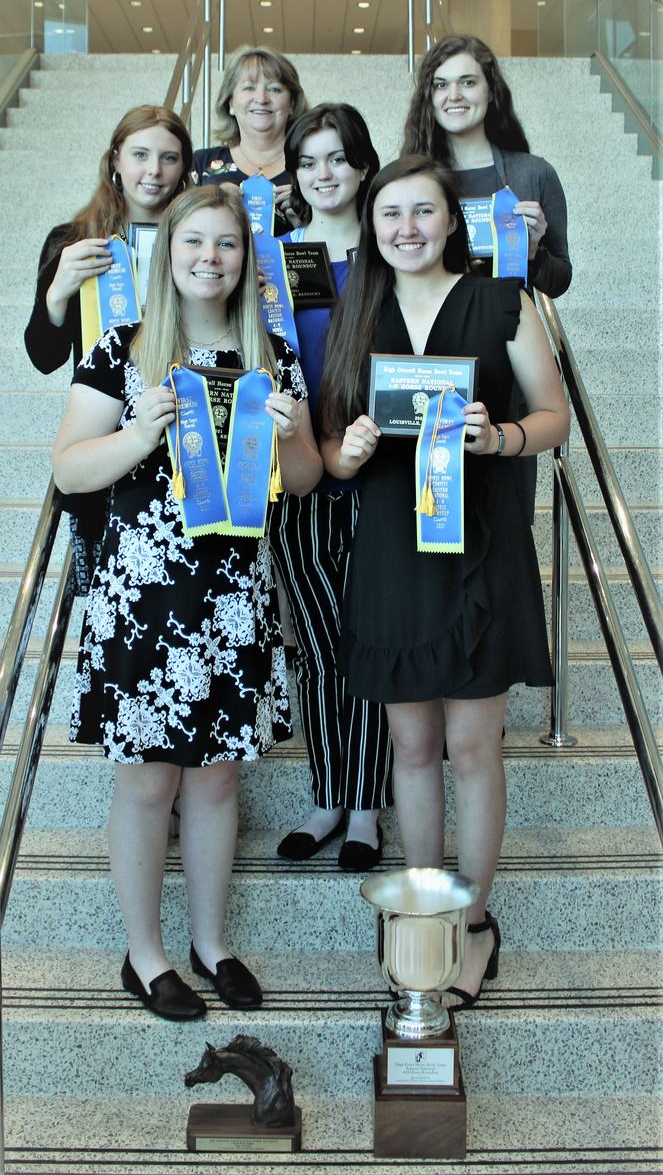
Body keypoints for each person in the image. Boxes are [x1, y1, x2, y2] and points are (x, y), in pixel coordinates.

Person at [52, 185, 322, 1021]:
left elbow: (306, 479)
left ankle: (212, 944)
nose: (210, 257)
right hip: (142, 594)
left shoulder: (271, 350)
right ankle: (146, 955)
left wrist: (288, 436)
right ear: (165, 253)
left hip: (232, 593)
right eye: (194, 242)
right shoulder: (123, 348)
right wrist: (139, 433)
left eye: (228, 245)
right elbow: (68, 470)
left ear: (247, 259)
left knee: (215, 784)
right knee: (147, 788)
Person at [318, 156, 569, 1009]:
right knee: (412, 748)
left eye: (423, 212)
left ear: (450, 222)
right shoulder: (359, 309)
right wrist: (342, 454)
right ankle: (425, 912)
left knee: (471, 748)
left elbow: (552, 417)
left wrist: (498, 438)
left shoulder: (506, 300)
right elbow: (324, 447)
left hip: (481, 548)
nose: (407, 229)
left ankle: (473, 922)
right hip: (391, 549)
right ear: (373, 225)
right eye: (391, 214)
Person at [269, 104, 392, 871]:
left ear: (363, 166)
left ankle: (367, 809)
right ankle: (326, 795)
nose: (324, 173)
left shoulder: (394, 252)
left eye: (337, 158)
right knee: (318, 646)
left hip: (382, 476)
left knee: (374, 645)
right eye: (309, 160)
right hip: (301, 476)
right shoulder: (272, 259)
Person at [24, 104, 194, 589]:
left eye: (169, 157)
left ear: (185, 168)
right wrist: (58, 292)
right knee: (111, 588)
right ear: (115, 159)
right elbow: (43, 356)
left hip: (181, 425)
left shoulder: (197, 242)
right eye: (140, 154)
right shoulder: (72, 241)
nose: (153, 171)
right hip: (102, 433)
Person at [401, 34, 571, 298]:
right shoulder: (408, 180)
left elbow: (559, 282)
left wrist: (534, 252)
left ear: (490, 90)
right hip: (433, 333)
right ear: (429, 97)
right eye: (441, 85)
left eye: (467, 82)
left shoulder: (534, 174)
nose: (454, 96)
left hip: (510, 333)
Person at [192, 45, 308, 236]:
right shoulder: (200, 164)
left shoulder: (312, 168)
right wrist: (215, 202)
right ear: (230, 103)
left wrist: (307, 223)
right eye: (248, 88)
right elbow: (177, 233)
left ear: (292, 104)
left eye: (274, 89)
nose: (261, 99)